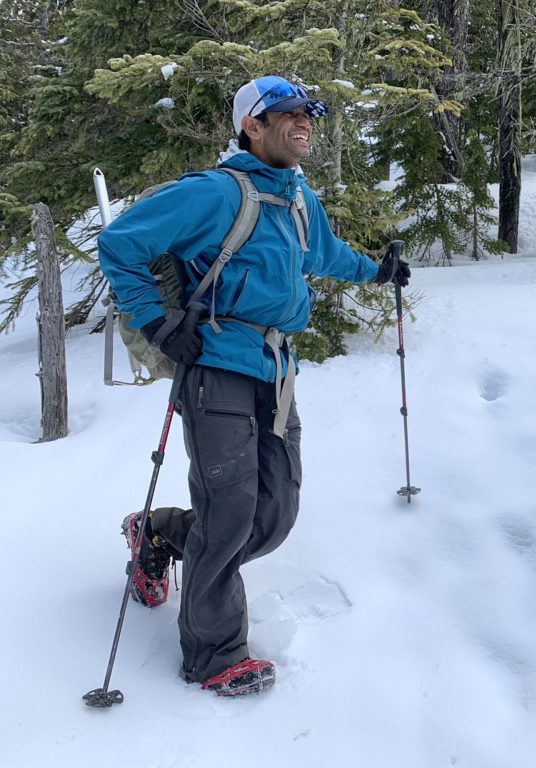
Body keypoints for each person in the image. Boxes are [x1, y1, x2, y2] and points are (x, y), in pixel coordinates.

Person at [98, 75, 410, 697]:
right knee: (231, 508)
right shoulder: (213, 194)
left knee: (273, 515)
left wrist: (377, 270)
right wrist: (158, 322)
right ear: (251, 126)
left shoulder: (299, 199)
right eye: (287, 112)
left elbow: (320, 255)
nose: (303, 122)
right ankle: (215, 654)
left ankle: (156, 533)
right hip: (216, 368)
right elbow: (120, 243)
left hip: (277, 372)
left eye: (309, 113)